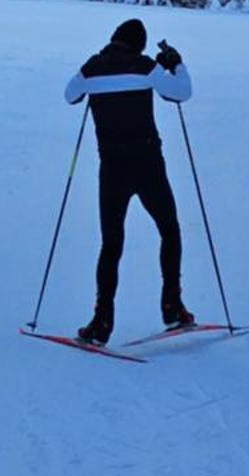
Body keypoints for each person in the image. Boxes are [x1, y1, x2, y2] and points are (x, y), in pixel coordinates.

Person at [63, 17, 194, 347]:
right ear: (139, 44)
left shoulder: (92, 68)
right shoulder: (144, 66)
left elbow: (70, 95)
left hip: (112, 170)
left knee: (111, 244)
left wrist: (92, 71)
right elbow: (182, 92)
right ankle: (172, 306)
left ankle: (101, 321)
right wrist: (175, 64)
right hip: (148, 164)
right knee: (169, 230)